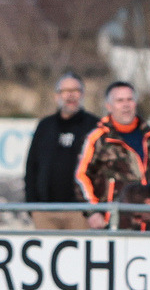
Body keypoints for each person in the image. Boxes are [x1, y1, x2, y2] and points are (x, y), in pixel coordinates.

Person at [74, 81, 150, 230]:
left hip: (148, 226)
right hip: (112, 224)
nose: (126, 105)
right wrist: (92, 212)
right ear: (109, 106)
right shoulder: (98, 138)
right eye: (120, 101)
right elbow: (81, 177)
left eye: (129, 100)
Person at [24, 72, 99, 230]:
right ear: (56, 96)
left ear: (83, 94)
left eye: (76, 90)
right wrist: (33, 207)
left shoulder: (95, 126)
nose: (71, 95)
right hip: (45, 212)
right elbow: (31, 166)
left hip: (80, 212)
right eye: (65, 91)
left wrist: (92, 209)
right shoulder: (45, 126)